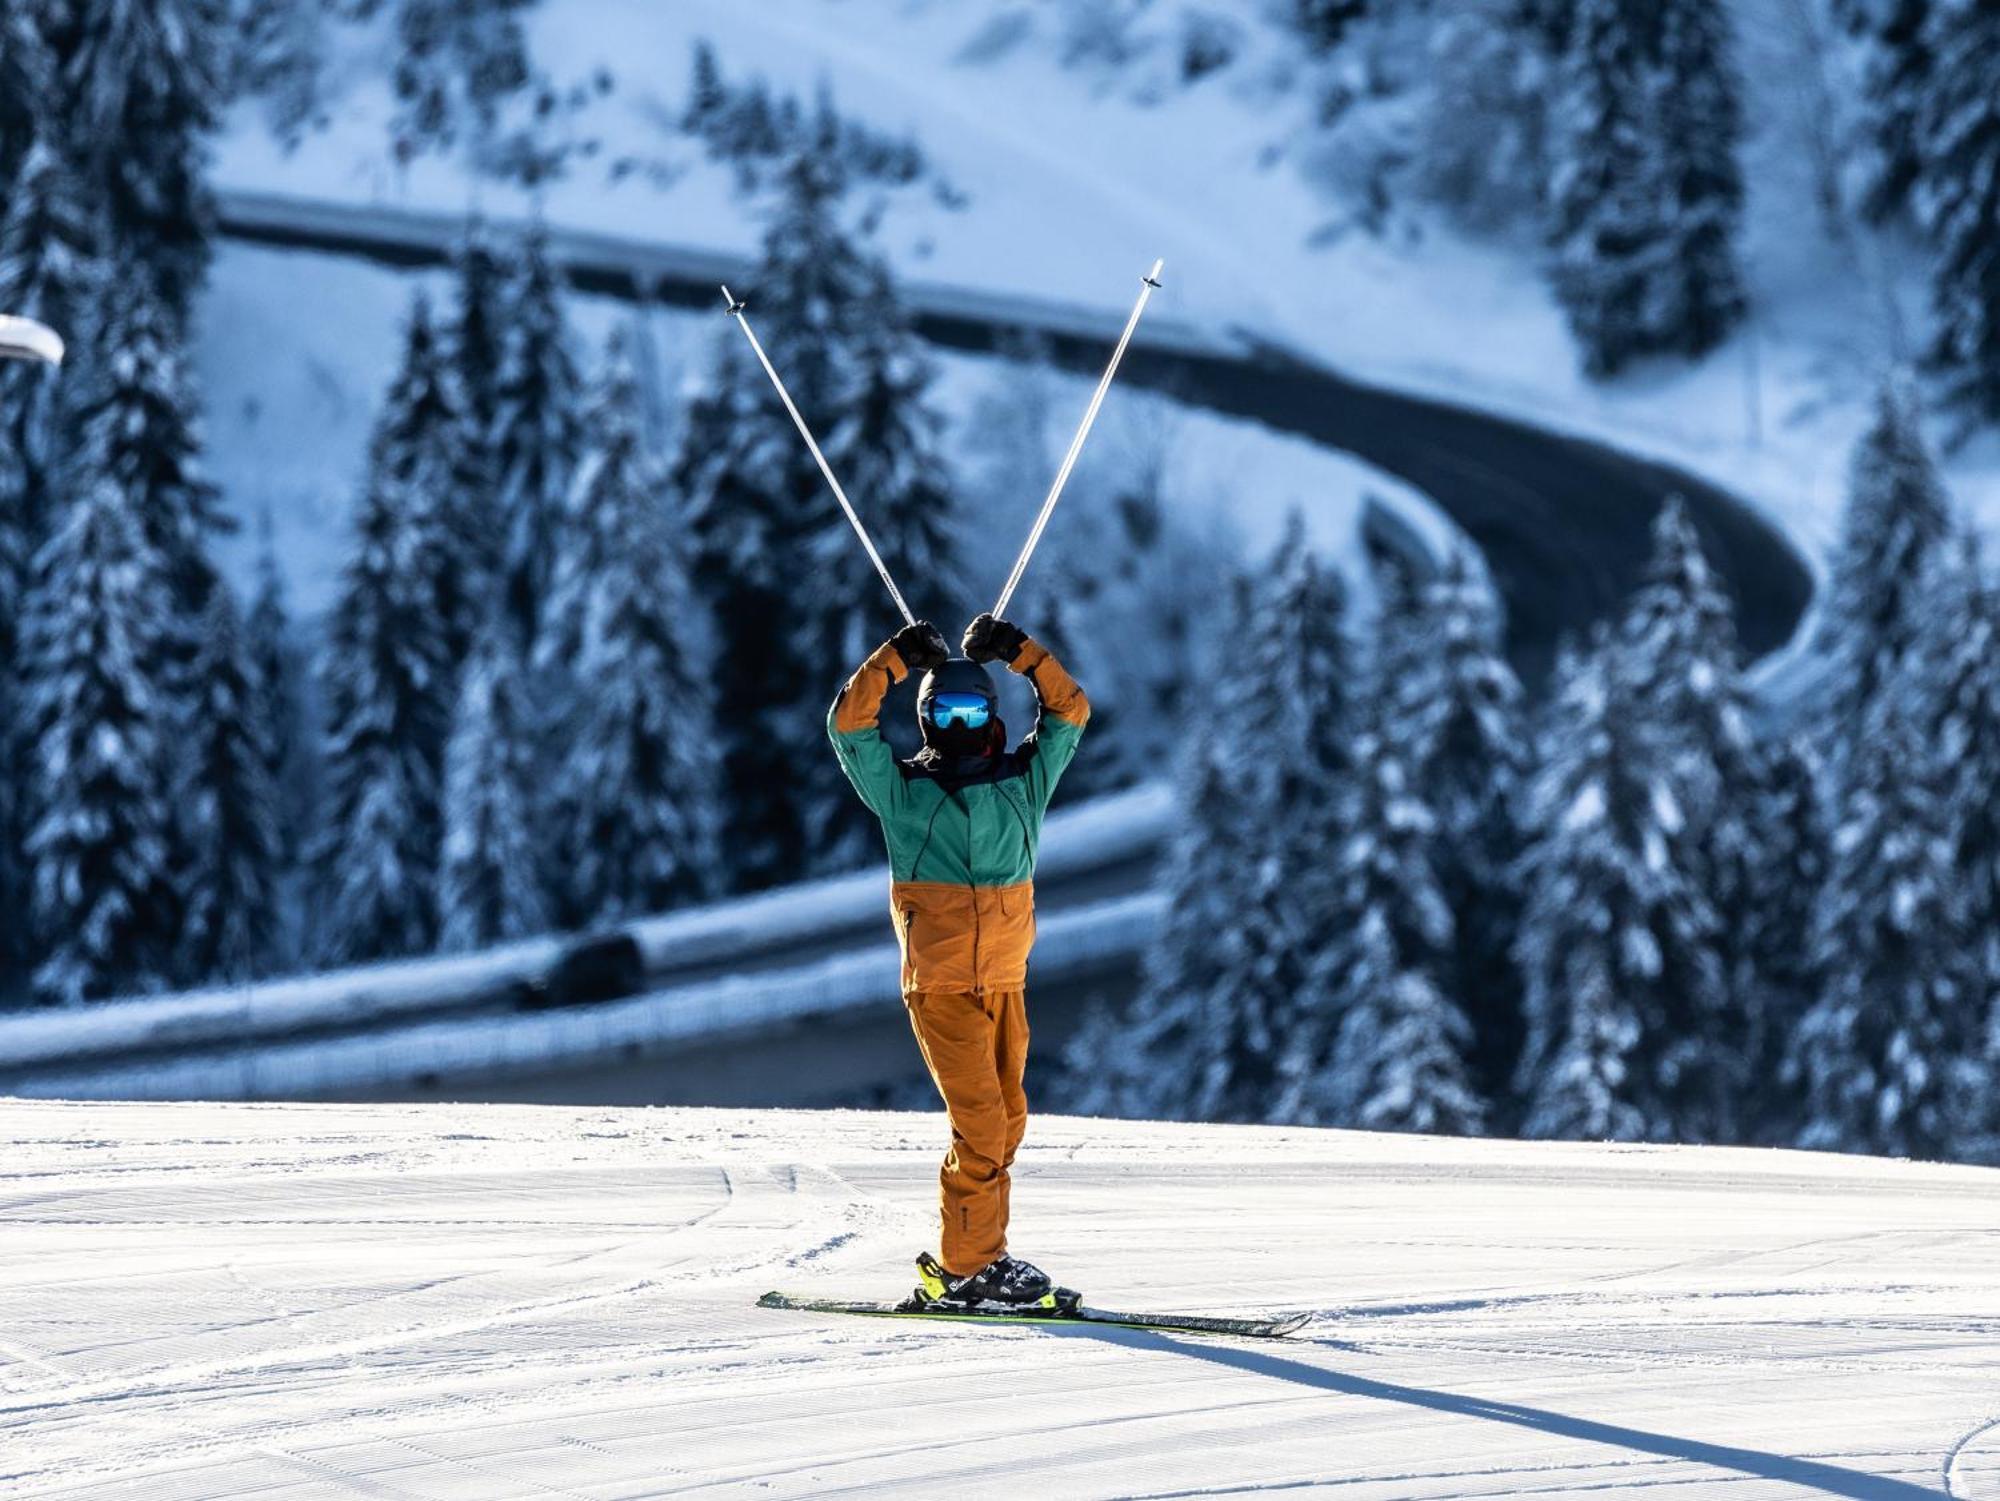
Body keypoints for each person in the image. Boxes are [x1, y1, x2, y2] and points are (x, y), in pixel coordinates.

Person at [827, 610, 1091, 1309]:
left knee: (1005, 1120)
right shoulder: (902, 792)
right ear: (927, 718)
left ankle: (985, 1254)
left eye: (975, 706)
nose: (963, 720)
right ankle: (967, 1266)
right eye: (948, 708)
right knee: (979, 1125)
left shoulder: (1023, 783)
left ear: (992, 713)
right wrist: (895, 658)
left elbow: (1071, 710)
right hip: (941, 986)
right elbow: (847, 727)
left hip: (1005, 979)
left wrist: (1021, 653)